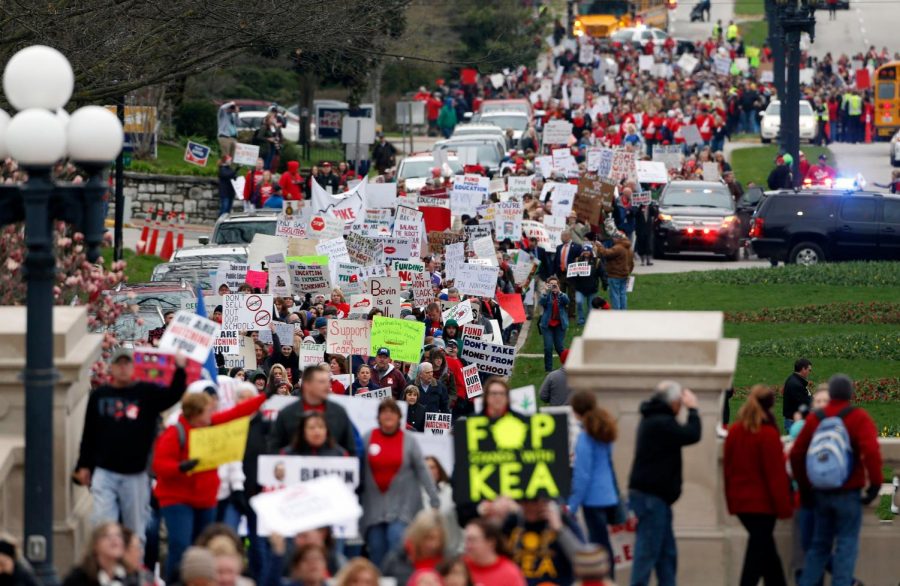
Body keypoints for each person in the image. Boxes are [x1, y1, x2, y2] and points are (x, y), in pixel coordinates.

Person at [74, 348, 188, 540]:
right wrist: (84, 465)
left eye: (127, 363)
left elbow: (173, 394)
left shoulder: (146, 393)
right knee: (104, 524)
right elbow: (89, 433)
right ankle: (107, 566)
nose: (123, 368)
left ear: (134, 367)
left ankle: (134, 566)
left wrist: (180, 369)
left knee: (134, 528)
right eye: (119, 363)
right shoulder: (99, 395)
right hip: (105, 471)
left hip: (135, 473)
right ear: (111, 368)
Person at [152, 390, 266, 581]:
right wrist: (180, 467)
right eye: (207, 411)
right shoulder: (175, 432)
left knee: (203, 549)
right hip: (177, 499)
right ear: (196, 413)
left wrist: (264, 396)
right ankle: (175, 581)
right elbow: (159, 464)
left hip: (205, 499)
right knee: (181, 545)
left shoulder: (211, 425)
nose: (211, 414)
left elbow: (236, 414)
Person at [789, 374, 883, 586]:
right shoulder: (858, 417)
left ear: (830, 394)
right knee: (846, 546)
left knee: (818, 547)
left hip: (820, 491)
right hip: (849, 491)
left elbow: (796, 454)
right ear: (850, 393)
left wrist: (805, 485)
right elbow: (871, 452)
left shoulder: (816, 418)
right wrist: (875, 485)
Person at [628, 381, 702, 586]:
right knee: (647, 556)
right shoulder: (661, 422)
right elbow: (691, 434)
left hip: (654, 498)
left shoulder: (653, 418)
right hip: (653, 499)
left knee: (665, 556)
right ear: (673, 402)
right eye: (679, 401)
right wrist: (694, 409)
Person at [723, 385, 793, 586]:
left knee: (767, 554)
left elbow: (728, 469)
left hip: (741, 502)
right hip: (762, 505)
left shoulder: (736, 430)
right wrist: (784, 508)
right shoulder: (768, 434)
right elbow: (776, 476)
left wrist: (731, 501)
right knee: (758, 556)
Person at [360, 398, 440, 569]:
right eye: (384, 412)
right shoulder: (368, 438)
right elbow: (358, 468)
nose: (388, 415)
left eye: (392, 412)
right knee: (376, 551)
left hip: (403, 508)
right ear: (378, 417)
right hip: (374, 510)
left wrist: (434, 498)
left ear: (399, 417)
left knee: (397, 544)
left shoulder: (409, 440)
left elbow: (422, 470)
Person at [567, 390, 620, 579]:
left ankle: (605, 580)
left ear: (576, 411)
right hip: (608, 495)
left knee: (598, 544)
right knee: (605, 544)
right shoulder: (603, 431)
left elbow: (582, 476)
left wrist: (571, 505)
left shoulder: (584, 438)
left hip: (592, 499)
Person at [267, 366, 356, 455]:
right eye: (321, 382)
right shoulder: (287, 413)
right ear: (307, 385)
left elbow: (350, 449)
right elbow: (274, 448)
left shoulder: (339, 412)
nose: (327, 386)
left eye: (328, 382)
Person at [382, 510, 447, 585]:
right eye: (428, 538)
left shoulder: (448, 563)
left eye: (439, 539)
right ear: (417, 536)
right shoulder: (395, 561)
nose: (434, 544)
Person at [462, 518, 526, 585]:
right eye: (466, 540)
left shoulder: (510, 573)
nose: (467, 546)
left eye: (472, 540)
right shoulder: (460, 568)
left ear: (491, 543)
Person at [61, 522, 128, 586]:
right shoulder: (79, 578)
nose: (115, 539)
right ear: (95, 544)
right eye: (108, 536)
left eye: (118, 535)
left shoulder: (127, 576)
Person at [596, 231, 634, 311]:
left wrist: (599, 246)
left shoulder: (618, 247)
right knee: (622, 294)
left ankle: (616, 313)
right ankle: (623, 311)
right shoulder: (628, 248)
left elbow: (606, 253)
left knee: (615, 295)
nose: (613, 239)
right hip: (624, 275)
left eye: (614, 237)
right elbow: (632, 263)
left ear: (618, 238)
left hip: (615, 275)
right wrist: (628, 272)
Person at [285, 411, 349, 456]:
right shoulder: (287, 454)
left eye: (321, 427)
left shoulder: (340, 454)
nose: (317, 431)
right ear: (303, 431)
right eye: (311, 427)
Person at [538, 276, 569, 373]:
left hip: (559, 325)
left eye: (554, 284)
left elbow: (567, 301)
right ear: (547, 285)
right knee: (548, 347)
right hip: (547, 325)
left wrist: (559, 291)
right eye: (550, 285)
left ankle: (568, 366)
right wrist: (546, 291)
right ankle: (548, 369)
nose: (553, 286)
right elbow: (541, 302)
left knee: (559, 347)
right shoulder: (546, 295)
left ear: (558, 285)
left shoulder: (562, 295)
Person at [570, 244, 603, 325]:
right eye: (584, 251)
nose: (586, 253)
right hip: (580, 288)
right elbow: (573, 273)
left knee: (591, 306)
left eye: (587, 251)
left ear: (590, 252)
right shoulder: (577, 260)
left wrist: (605, 283)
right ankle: (581, 320)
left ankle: (589, 321)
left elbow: (601, 273)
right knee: (579, 302)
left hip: (592, 288)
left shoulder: (596, 261)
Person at [554, 230, 582, 319]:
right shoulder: (559, 247)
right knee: (560, 295)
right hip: (561, 274)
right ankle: (561, 313)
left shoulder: (576, 247)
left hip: (571, 275)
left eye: (562, 236)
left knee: (571, 295)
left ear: (568, 236)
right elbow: (556, 261)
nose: (561, 238)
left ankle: (571, 315)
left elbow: (581, 260)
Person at [783, 358, 813, 432]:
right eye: (809, 370)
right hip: (794, 423)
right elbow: (805, 403)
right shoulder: (796, 384)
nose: (810, 372)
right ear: (803, 369)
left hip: (793, 421)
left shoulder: (794, 380)